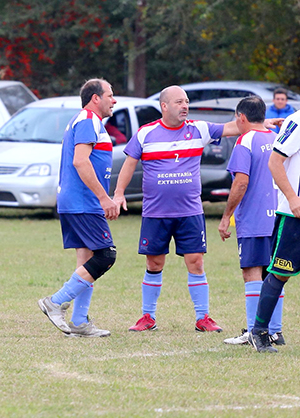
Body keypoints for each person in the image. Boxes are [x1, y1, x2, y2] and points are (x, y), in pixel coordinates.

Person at [114, 86, 268, 333]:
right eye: (179, 102)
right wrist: (119, 193)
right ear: (164, 106)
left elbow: (235, 127)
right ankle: (147, 317)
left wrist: (262, 122)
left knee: (196, 263)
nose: (185, 106)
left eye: (186, 102)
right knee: (154, 263)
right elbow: (129, 163)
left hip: (190, 212)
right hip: (156, 212)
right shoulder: (146, 133)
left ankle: (203, 317)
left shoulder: (199, 129)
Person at [37, 78, 119, 338]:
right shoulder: (87, 120)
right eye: (110, 95)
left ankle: (80, 322)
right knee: (106, 256)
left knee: (86, 261)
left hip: (76, 202)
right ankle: (55, 302)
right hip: (84, 203)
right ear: (95, 98)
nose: (114, 100)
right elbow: (81, 162)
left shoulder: (88, 121)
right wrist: (104, 197)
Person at [218, 96, 284, 346]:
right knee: (275, 273)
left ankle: (254, 332)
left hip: (255, 219)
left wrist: (226, 217)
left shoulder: (245, 140)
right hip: (278, 216)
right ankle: (274, 330)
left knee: (252, 273)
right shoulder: (276, 137)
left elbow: (241, 182)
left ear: (241, 117)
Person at [249, 108, 300, 353]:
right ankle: (259, 332)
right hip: (295, 215)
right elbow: (274, 161)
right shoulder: (296, 120)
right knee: (281, 273)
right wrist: (293, 198)